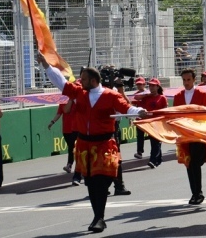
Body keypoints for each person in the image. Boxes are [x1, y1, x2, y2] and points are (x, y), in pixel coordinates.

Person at [39, 54, 145, 233]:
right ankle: (98, 217)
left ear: (94, 80)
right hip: (84, 145)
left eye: (84, 79)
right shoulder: (79, 92)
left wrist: (140, 111)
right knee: (90, 182)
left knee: (102, 182)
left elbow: (127, 108)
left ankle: (99, 216)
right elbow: (61, 82)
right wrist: (45, 65)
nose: (80, 81)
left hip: (104, 144)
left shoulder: (110, 95)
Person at [173, 68, 206, 205]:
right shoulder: (178, 96)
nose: (186, 82)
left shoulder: (201, 93)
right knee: (189, 163)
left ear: (194, 80)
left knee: (195, 162)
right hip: (184, 134)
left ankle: (198, 192)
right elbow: (174, 114)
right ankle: (195, 193)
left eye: (188, 80)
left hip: (197, 132)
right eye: (184, 80)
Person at [49, 99, 83, 185]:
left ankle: (71, 165)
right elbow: (60, 112)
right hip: (67, 129)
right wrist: (52, 122)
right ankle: (71, 165)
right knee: (71, 147)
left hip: (76, 128)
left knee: (74, 147)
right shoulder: (63, 101)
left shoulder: (78, 100)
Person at [138, 78, 168, 168]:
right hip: (149, 123)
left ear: (158, 87)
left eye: (153, 86)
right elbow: (138, 103)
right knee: (153, 142)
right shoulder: (146, 98)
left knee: (156, 142)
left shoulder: (162, 98)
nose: (151, 87)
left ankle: (152, 160)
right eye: (150, 86)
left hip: (158, 123)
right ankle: (158, 159)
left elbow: (166, 110)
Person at [132, 77, 147, 160]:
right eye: (137, 84)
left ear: (144, 84)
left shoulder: (149, 93)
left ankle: (156, 153)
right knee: (140, 135)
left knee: (153, 137)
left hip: (149, 118)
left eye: (140, 84)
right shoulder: (136, 95)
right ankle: (139, 152)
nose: (139, 86)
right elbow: (134, 106)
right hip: (140, 118)